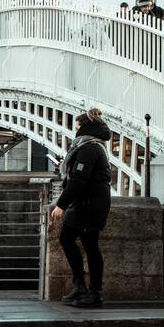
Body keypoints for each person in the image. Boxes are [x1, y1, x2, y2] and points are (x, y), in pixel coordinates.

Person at [50, 108, 113, 308]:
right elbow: (78, 175)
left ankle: (94, 292)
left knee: (88, 245)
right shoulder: (88, 146)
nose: (75, 130)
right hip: (87, 204)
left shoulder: (89, 148)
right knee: (71, 240)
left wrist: (61, 204)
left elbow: (79, 180)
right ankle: (81, 287)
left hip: (89, 205)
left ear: (85, 127)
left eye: (77, 127)